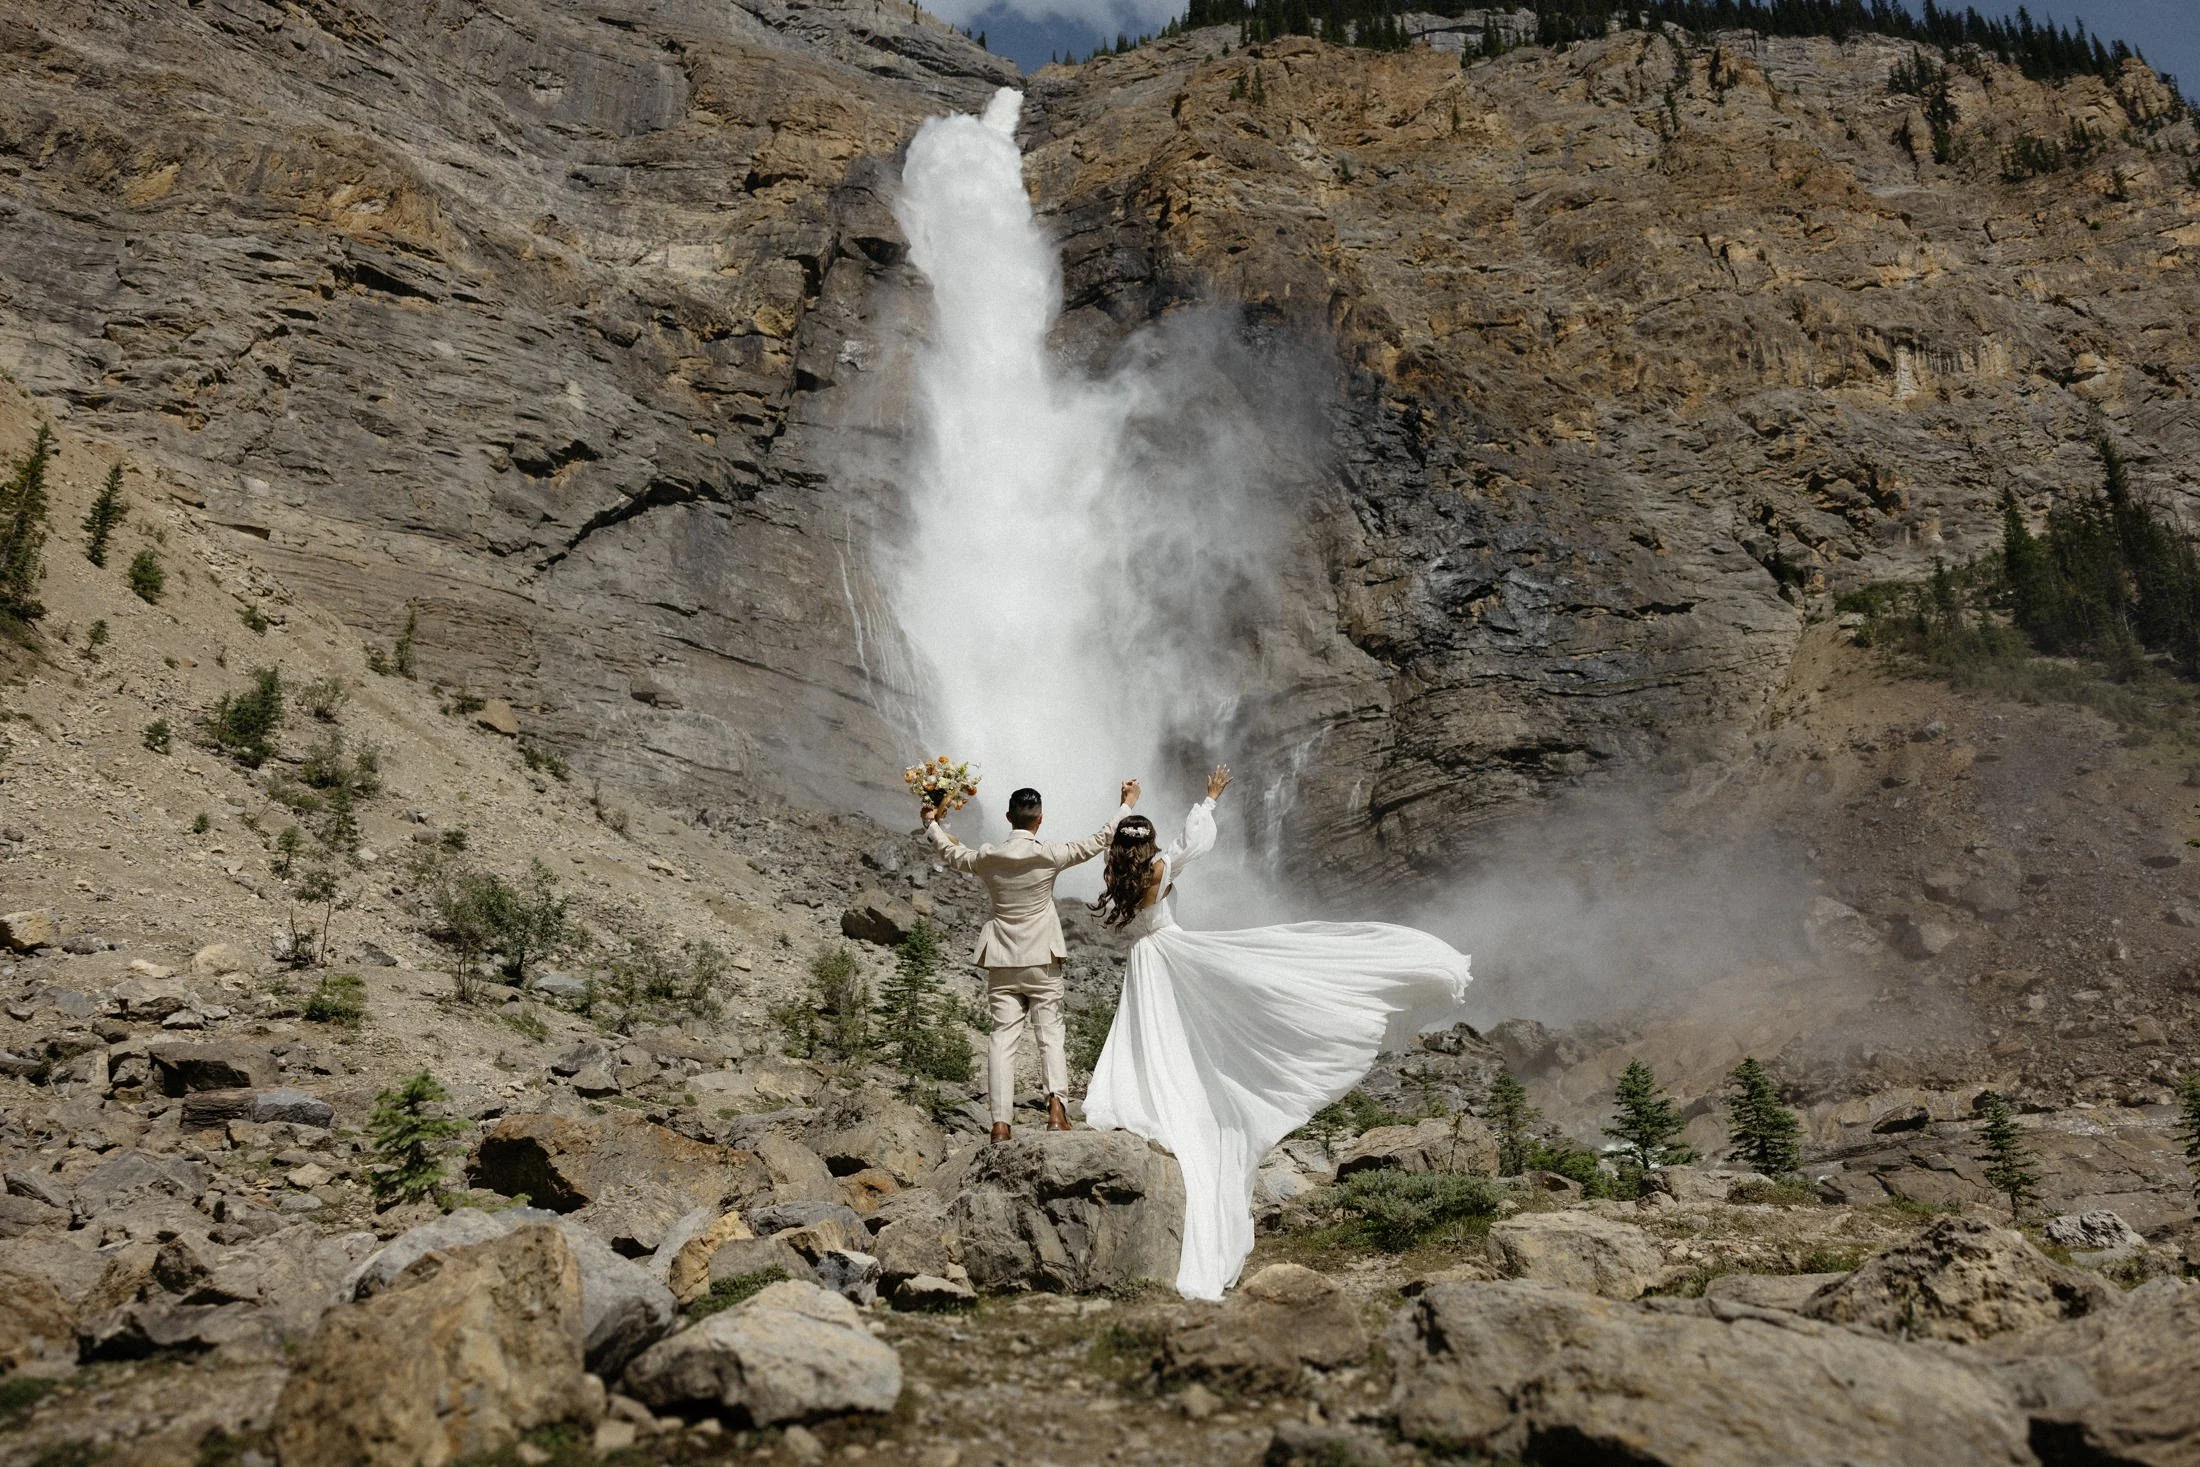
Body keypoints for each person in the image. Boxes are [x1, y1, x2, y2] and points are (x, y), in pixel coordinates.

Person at [1082, 765, 1473, 1300]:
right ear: (1148, 845)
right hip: (1174, 953)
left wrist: (1124, 804)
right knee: (1212, 1016)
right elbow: (1194, 843)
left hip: (1144, 962)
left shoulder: (1116, 873)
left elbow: (1114, 843)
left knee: (1152, 1037)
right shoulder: (1160, 868)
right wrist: (1210, 798)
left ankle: (1150, 1098)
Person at [922, 779, 1140, 1141]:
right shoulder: (1050, 854)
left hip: (1002, 960)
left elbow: (951, 853)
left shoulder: (988, 857)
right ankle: (1056, 1112)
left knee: (1001, 1039)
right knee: (1050, 1035)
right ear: (1040, 819)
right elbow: (1100, 839)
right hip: (1043, 958)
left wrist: (931, 824)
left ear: (1008, 817)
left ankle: (1000, 1124)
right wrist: (1126, 805)